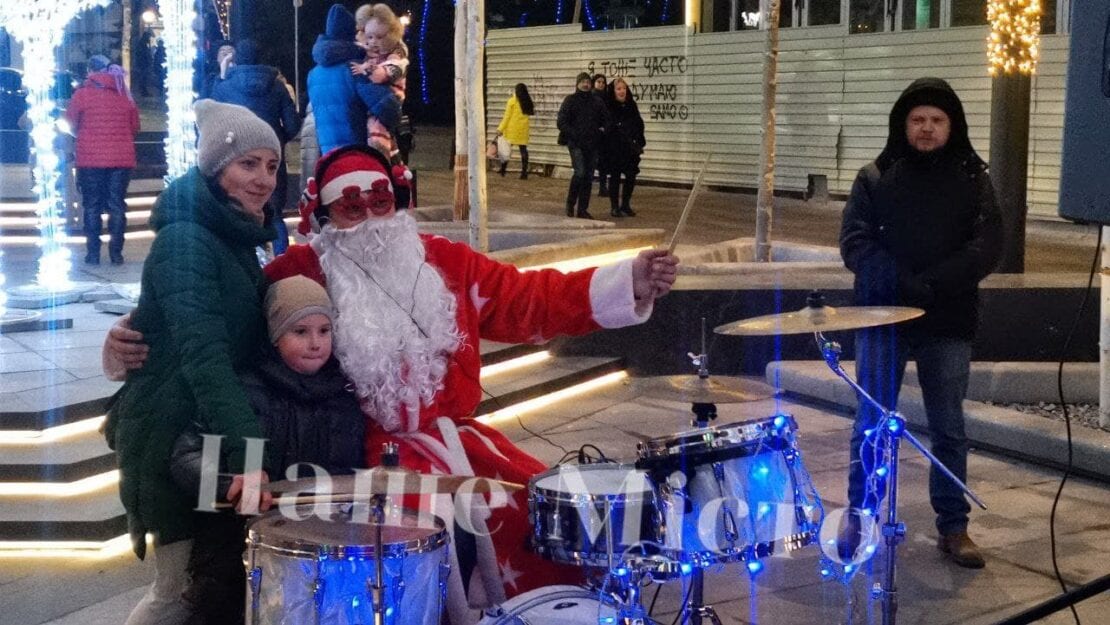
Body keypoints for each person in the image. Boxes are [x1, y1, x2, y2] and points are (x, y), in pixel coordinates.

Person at [103, 144, 678, 620]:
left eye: (381, 200)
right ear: (324, 218)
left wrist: (631, 280)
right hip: (361, 457)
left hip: (458, 441)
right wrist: (125, 344)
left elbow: (531, 299)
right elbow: (216, 326)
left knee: (547, 509)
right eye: (351, 207)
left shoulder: (446, 262)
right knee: (442, 538)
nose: (372, 218)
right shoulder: (299, 274)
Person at [105, 99, 282, 625]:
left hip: (203, 431)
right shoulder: (187, 239)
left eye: (271, 165)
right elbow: (204, 357)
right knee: (175, 589)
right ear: (214, 168)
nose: (263, 179)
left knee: (201, 584)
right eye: (247, 164)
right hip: (169, 436)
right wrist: (251, 459)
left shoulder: (233, 238)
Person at [838, 77, 1002, 569]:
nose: (927, 128)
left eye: (937, 120)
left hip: (947, 320)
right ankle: (861, 517)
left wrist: (936, 282)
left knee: (949, 426)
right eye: (918, 120)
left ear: (952, 126)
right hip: (882, 316)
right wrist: (898, 280)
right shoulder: (873, 176)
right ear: (902, 124)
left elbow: (988, 244)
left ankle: (954, 526)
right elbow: (854, 241)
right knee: (871, 422)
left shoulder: (975, 178)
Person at [170, 275, 365, 625]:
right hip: (237, 554)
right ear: (275, 336)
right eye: (300, 332)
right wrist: (226, 483)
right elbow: (187, 455)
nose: (315, 343)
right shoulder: (244, 392)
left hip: (316, 550)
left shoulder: (343, 399)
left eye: (324, 331)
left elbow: (349, 470)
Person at [212, 39, 302, 254]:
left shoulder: (224, 88)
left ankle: (249, 263)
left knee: (240, 212)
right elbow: (292, 124)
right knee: (275, 215)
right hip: (271, 157)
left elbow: (212, 120)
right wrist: (278, 140)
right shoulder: (277, 86)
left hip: (237, 157)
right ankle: (282, 263)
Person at [66, 55, 140, 265]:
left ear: (91, 71)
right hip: (121, 160)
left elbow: (70, 123)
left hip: (90, 160)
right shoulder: (124, 94)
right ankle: (116, 254)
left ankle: (93, 254)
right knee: (116, 205)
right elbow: (135, 127)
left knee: (92, 206)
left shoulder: (81, 94)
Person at [308, 3, 401, 155]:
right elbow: (389, 110)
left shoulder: (313, 74)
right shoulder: (355, 69)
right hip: (358, 154)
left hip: (329, 155)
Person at [351, 3, 408, 159]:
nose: (374, 41)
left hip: (389, 98)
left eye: (379, 37)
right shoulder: (373, 52)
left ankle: (380, 160)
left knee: (378, 133)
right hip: (379, 101)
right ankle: (392, 165)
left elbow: (382, 75)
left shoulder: (396, 55)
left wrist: (366, 68)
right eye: (370, 37)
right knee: (384, 135)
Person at [557, 72, 608, 219]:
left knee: (588, 176)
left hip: (592, 144)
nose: (586, 84)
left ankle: (582, 209)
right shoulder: (570, 100)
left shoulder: (596, 101)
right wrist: (574, 133)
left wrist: (602, 130)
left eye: (587, 82)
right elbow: (561, 122)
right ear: (578, 83)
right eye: (583, 82)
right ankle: (570, 204)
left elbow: (606, 119)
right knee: (580, 173)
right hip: (576, 143)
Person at [603, 77, 644, 218]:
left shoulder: (631, 105)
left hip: (629, 147)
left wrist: (638, 141)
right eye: (619, 89)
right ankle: (614, 207)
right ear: (613, 91)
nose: (622, 91)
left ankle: (625, 204)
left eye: (624, 88)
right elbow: (607, 126)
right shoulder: (609, 106)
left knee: (631, 175)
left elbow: (639, 124)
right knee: (615, 176)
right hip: (614, 147)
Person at [496, 83, 533, 179]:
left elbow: (507, 116)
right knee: (523, 150)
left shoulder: (512, 101)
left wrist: (500, 128)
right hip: (523, 129)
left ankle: (503, 170)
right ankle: (524, 173)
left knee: (506, 149)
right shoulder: (527, 102)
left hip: (512, 129)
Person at [591, 73, 610, 196]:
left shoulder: (607, 97)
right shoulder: (590, 97)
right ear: (594, 83)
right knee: (592, 161)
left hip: (604, 135)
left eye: (603, 82)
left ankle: (603, 188)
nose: (601, 84)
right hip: (593, 134)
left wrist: (606, 127)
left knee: (603, 161)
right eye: (599, 82)